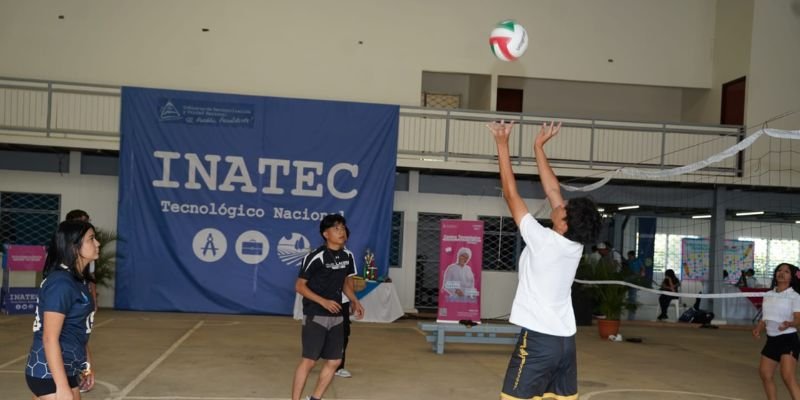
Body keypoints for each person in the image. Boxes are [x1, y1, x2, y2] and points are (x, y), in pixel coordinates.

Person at [488, 120, 601, 400]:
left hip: (539, 341)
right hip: (565, 342)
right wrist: (538, 147)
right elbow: (552, 190)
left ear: (563, 224)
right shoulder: (574, 244)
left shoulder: (544, 241)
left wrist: (502, 146)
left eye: (564, 209)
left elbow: (511, 194)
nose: (560, 204)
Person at [24, 219, 99, 399]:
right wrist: (62, 386)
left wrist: (86, 365)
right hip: (47, 371)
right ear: (74, 247)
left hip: (68, 366)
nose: (97, 243)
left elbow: (79, 328)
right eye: (91, 239)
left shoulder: (79, 281)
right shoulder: (61, 283)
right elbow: (50, 337)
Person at [292, 215, 364, 400]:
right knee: (309, 361)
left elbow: (346, 284)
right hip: (316, 314)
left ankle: (315, 398)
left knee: (334, 361)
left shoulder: (348, 256)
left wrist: (355, 301)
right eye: (336, 228)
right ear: (326, 234)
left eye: (343, 228)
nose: (342, 232)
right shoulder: (315, 256)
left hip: (338, 315)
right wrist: (322, 301)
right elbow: (300, 286)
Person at [752, 263, 800, 400]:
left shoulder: (795, 296)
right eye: (779, 270)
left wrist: (789, 323)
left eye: (786, 271)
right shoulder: (767, 294)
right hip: (772, 340)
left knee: (787, 376)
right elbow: (765, 318)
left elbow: (798, 319)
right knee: (765, 374)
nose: (781, 273)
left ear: (791, 277)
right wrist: (758, 328)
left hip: (788, 339)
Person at [65, 209, 97, 313]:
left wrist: (94, 300)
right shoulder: (60, 282)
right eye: (82, 221)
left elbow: (91, 277)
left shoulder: (89, 254)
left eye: (87, 220)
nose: (97, 244)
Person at [335, 226, 354, 379]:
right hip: (325, 302)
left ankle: (339, 366)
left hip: (344, 302)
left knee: (344, 333)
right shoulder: (319, 255)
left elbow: (349, 280)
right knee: (322, 333)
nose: (341, 235)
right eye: (338, 232)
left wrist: (354, 300)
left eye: (344, 234)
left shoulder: (348, 255)